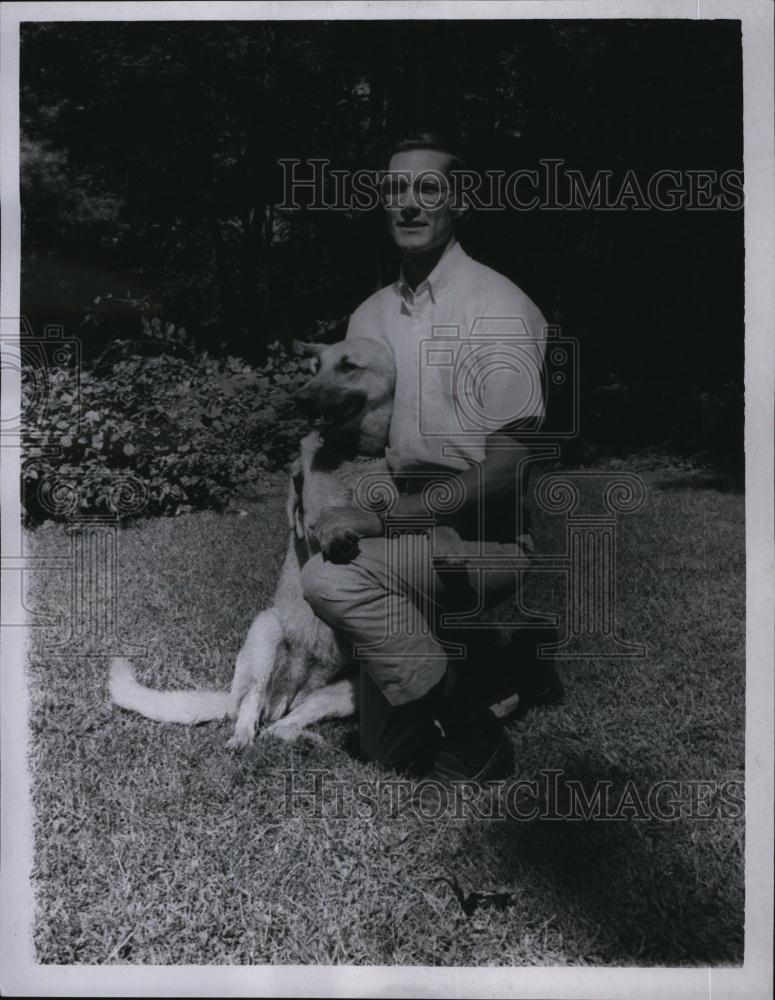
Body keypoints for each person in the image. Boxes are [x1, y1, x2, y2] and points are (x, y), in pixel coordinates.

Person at [301, 132, 550, 784]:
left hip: (483, 538)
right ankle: (463, 665)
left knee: (331, 581)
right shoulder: (368, 317)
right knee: (388, 749)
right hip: (401, 527)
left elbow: (508, 470)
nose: (409, 204)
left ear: (459, 202)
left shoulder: (499, 308)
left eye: (428, 189)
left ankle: (476, 736)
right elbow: (352, 443)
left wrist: (382, 520)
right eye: (395, 190)